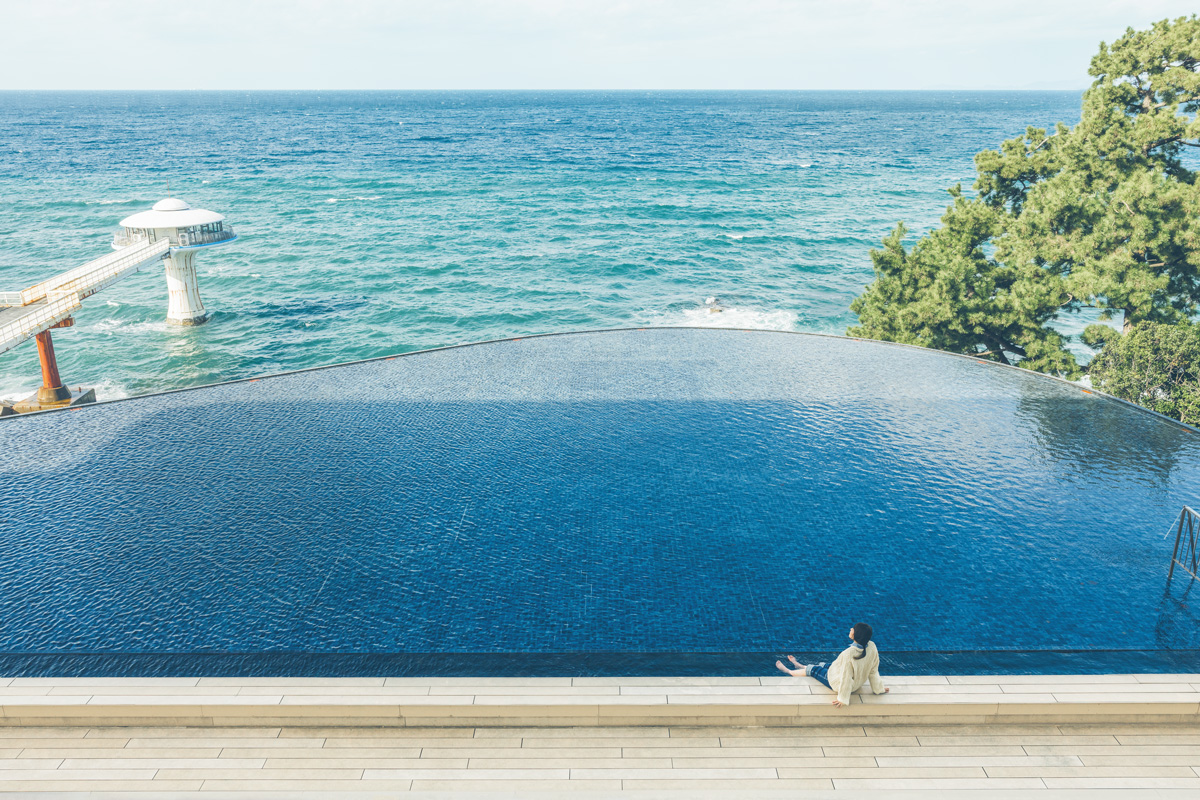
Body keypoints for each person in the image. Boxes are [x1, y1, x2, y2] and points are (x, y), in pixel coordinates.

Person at [776, 623, 889, 707]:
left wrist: (843, 699)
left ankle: (789, 670)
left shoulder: (848, 654)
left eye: (853, 629)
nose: (850, 629)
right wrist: (879, 688)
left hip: (837, 682)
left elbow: (846, 678)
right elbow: (873, 670)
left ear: (856, 634)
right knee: (824, 665)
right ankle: (800, 666)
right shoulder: (872, 647)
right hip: (854, 680)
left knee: (814, 670)